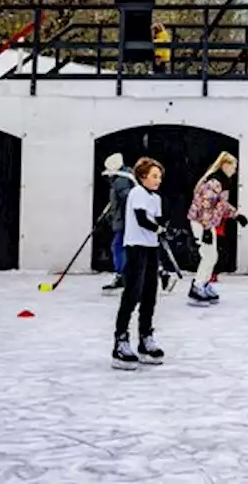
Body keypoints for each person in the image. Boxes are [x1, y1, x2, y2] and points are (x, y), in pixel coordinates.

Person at [113, 157, 167, 369]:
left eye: (160, 176)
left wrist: (165, 227)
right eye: (154, 176)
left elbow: (159, 219)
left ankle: (145, 336)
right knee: (132, 293)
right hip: (136, 247)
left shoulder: (156, 198)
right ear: (143, 177)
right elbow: (142, 220)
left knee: (150, 293)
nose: (158, 180)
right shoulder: (137, 194)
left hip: (152, 248)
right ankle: (121, 340)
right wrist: (158, 229)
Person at [186, 152, 248, 305]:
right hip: (201, 223)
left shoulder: (223, 182)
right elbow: (206, 206)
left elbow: (221, 205)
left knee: (212, 256)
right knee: (208, 256)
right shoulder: (215, 182)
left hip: (207, 224)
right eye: (234, 167)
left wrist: (236, 215)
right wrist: (206, 229)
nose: (235, 170)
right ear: (225, 165)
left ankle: (204, 283)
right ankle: (197, 286)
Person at [100, 153, 136, 294]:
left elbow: (126, 200)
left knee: (118, 246)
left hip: (125, 222)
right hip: (125, 221)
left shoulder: (121, 181)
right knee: (122, 247)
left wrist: (116, 216)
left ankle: (122, 275)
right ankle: (124, 275)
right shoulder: (125, 178)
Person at [114, 0, 156, 71]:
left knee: (127, 45)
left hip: (128, 21)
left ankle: (128, 65)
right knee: (144, 45)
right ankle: (146, 65)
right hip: (143, 22)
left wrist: (126, 10)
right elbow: (151, 0)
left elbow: (117, 1)